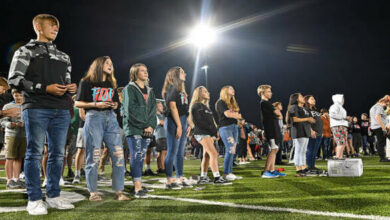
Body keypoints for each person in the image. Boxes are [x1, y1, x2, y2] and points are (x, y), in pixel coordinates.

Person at [8, 14, 77, 215]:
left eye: (57, 26)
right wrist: (44, 88)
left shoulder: (64, 56)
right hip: (37, 106)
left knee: (57, 154)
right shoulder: (25, 51)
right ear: (38, 26)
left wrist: (70, 88)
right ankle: (34, 199)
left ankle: (54, 196)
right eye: (51, 25)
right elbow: (14, 79)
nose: (56, 28)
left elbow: (65, 80)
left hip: (61, 109)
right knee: (35, 152)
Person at [75, 56, 129, 201]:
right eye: (107, 63)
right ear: (99, 65)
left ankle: (119, 191)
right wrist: (96, 104)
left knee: (118, 155)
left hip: (111, 118)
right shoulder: (86, 81)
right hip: (94, 118)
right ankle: (93, 192)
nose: (110, 65)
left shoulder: (112, 82)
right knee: (94, 155)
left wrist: (115, 105)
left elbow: (116, 103)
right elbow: (78, 103)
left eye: (111, 63)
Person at [122, 63, 157, 198]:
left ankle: (139, 183)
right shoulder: (129, 89)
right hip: (134, 127)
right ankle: (137, 188)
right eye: (142, 71)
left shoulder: (150, 90)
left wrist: (151, 126)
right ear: (135, 73)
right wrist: (144, 125)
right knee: (136, 155)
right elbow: (130, 110)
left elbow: (153, 110)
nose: (145, 72)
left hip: (147, 127)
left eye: (146, 70)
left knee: (141, 156)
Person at [189, 86, 228, 184]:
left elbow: (211, 122)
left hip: (208, 133)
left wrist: (215, 132)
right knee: (214, 154)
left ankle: (203, 177)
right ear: (199, 94)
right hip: (202, 133)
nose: (208, 93)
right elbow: (199, 122)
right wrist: (212, 131)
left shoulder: (206, 107)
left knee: (206, 155)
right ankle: (217, 177)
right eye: (205, 91)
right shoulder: (196, 106)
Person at [162, 66, 191, 189]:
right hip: (174, 121)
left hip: (183, 120)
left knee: (180, 153)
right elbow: (173, 107)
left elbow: (185, 109)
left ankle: (180, 177)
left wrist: (188, 124)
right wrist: (179, 125)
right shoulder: (171, 88)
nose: (185, 74)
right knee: (172, 151)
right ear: (175, 75)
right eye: (182, 72)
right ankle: (169, 180)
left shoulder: (182, 91)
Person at [258, 85, 286, 178]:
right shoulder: (264, 103)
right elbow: (278, 114)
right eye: (268, 91)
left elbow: (280, 116)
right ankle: (265, 172)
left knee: (276, 149)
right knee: (273, 149)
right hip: (270, 130)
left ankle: (272, 170)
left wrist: (277, 113)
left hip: (274, 129)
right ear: (262, 93)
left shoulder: (268, 103)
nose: (271, 93)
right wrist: (277, 113)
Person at [215, 86, 242, 181]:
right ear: (225, 91)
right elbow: (227, 114)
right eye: (231, 89)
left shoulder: (231, 103)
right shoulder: (221, 102)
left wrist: (237, 116)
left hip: (234, 127)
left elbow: (237, 116)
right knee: (230, 148)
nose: (233, 90)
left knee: (233, 150)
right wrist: (236, 115)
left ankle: (229, 172)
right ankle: (226, 173)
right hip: (226, 127)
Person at [1, 89, 26, 189]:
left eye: (20, 95)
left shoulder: (26, 106)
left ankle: (16, 179)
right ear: (13, 95)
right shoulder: (7, 106)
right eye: (16, 95)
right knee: (10, 157)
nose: (18, 97)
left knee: (19, 157)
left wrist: (23, 124)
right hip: (11, 135)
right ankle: (9, 180)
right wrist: (10, 124)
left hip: (23, 135)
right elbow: (2, 121)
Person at [286, 93, 315, 177]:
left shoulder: (304, 108)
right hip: (298, 131)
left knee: (303, 150)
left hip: (305, 131)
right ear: (297, 99)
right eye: (301, 97)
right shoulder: (293, 107)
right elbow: (294, 119)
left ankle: (303, 167)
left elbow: (308, 121)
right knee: (298, 150)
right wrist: (307, 119)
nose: (303, 98)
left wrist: (311, 130)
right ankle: (298, 169)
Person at [304, 95, 323, 172]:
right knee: (310, 150)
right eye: (312, 99)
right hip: (312, 133)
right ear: (306, 101)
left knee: (315, 150)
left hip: (318, 133)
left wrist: (322, 132)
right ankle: (309, 166)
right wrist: (310, 130)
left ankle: (312, 166)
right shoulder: (306, 110)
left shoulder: (315, 111)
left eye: (314, 98)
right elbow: (306, 121)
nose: (314, 100)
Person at [369, 95, 390, 162]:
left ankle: (382, 157)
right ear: (383, 102)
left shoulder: (373, 107)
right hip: (380, 127)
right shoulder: (379, 107)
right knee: (381, 143)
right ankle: (382, 158)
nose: (385, 106)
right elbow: (377, 117)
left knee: (381, 142)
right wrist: (384, 128)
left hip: (376, 127)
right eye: (386, 104)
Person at [329, 94, 349, 159]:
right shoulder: (335, 106)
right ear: (338, 98)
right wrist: (344, 117)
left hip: (342, 126)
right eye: (342, 98)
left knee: (343, 142)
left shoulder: (340, 107)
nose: (343, 99)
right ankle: (338, 157)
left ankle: (340, 156)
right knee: (340, 142)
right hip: (338, 126)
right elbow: (332, 114)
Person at [155, 100, 168, 174]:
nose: (162, 107)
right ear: (156, 108)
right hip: (160, 135)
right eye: (160, 106)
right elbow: (162, 123)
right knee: (163, 152)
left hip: (163, 135)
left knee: (160, 153)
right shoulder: (155, 115)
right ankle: (163, 168)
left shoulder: (162, 115)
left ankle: (159, 167)